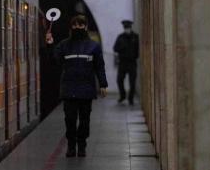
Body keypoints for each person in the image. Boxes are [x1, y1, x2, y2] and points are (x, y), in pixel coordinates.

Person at [45, 14, 107, 157]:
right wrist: (50, 44)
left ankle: (82, 145)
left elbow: (99, 66)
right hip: (69, 88)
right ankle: (71, 145)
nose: (77, 27)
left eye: (80, 25)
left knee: (85, 120)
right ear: (71, 27)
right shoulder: (64, 45)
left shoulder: (93, 46)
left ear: (85, 27)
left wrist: (103, 84)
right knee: (70, 119)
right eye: (74, 25)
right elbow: (54, 61)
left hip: (86, 89)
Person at [113, 19, 139, 105]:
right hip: (123, 63)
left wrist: (135, 56)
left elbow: (138, 49)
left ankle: (131, 98)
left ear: (130, 28)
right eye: (125, 28)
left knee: (132, 82)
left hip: (132, 62)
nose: (127, 29)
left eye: (128, 28)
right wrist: (122, 48)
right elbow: (115, 48)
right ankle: (123, 95)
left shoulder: (135, 37)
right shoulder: (120, 37)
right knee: (119, 80)